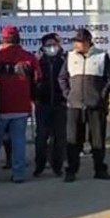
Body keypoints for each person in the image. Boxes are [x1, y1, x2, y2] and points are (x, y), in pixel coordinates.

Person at [0, 26, 41, 184]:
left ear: (3, 39)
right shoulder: (29, 57)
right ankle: (19, 174)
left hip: (0, 106)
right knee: (19, 141)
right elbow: (37, 80)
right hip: (22, 106)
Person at [59, 28, 110, 182]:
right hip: (75, 105)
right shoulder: (69, 57)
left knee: (97, 139)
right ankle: (71, 170)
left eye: (80, 42)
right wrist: (68, 94)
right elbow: (62, 78)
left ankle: (100, 169)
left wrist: (102, 95)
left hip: (95, 105)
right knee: (73, 140)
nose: (77, 45)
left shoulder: (101, 56)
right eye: (76, 42)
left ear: (88, 42)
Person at [34, 33, 67, 177]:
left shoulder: (64, 61)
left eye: (54, 45)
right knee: (41, 137)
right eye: (48, 45)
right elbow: (33, 82)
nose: (51, 48)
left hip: (60, 104)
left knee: (59, 137)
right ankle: (40, 165)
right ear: (42, 47)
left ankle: (57, 166)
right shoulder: (38, 63)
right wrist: (35, 97)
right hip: (43, 105)